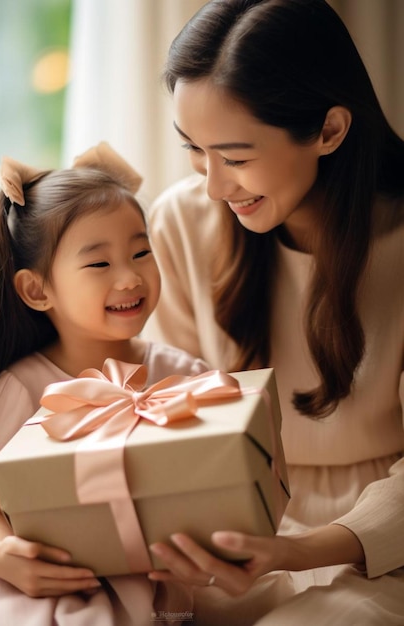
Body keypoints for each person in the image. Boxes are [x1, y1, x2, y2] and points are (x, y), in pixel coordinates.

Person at [141, 0, 404, 624]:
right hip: (235, 525)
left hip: (381, 541)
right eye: (194, 150)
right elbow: (170, 415)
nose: (211, 186)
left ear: (329, 131)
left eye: (234, 157)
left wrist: (297, 549)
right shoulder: (181, 222)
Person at [0, 142, 208, 626]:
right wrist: (2, 553)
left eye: (141, 251)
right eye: (99, 264)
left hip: (165, 583)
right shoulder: (22, 388)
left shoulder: (186, 376)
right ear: (37, 290)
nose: (129, 277)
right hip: (47, 584)